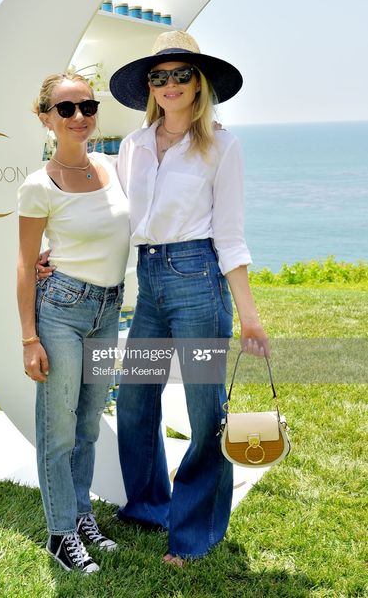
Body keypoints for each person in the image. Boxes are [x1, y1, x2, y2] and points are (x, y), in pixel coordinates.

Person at [108, 30, 269, 566]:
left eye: (181, 74)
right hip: (150, 281)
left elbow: (231, 233)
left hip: (198, 279)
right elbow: (114, 217)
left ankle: (194, 529)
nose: (170, 84)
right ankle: (150, 506)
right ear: (149, 86)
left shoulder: (222, 145)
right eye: (160, 76)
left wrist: (248, 314)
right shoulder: (131, 147)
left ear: (199, 84)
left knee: (205, 412)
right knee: (134, 401)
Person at [17, 72, 129, 573]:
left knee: (88, 424)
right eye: (66, 109)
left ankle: (82, 515)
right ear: (45, 118)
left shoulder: (111, 166)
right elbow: (24, 265)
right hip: (61, 312)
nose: (80, 117)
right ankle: (60, 534)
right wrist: (29, 339)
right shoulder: (38, 185)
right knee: (58, 429)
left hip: (108, 310)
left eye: (88, 106)